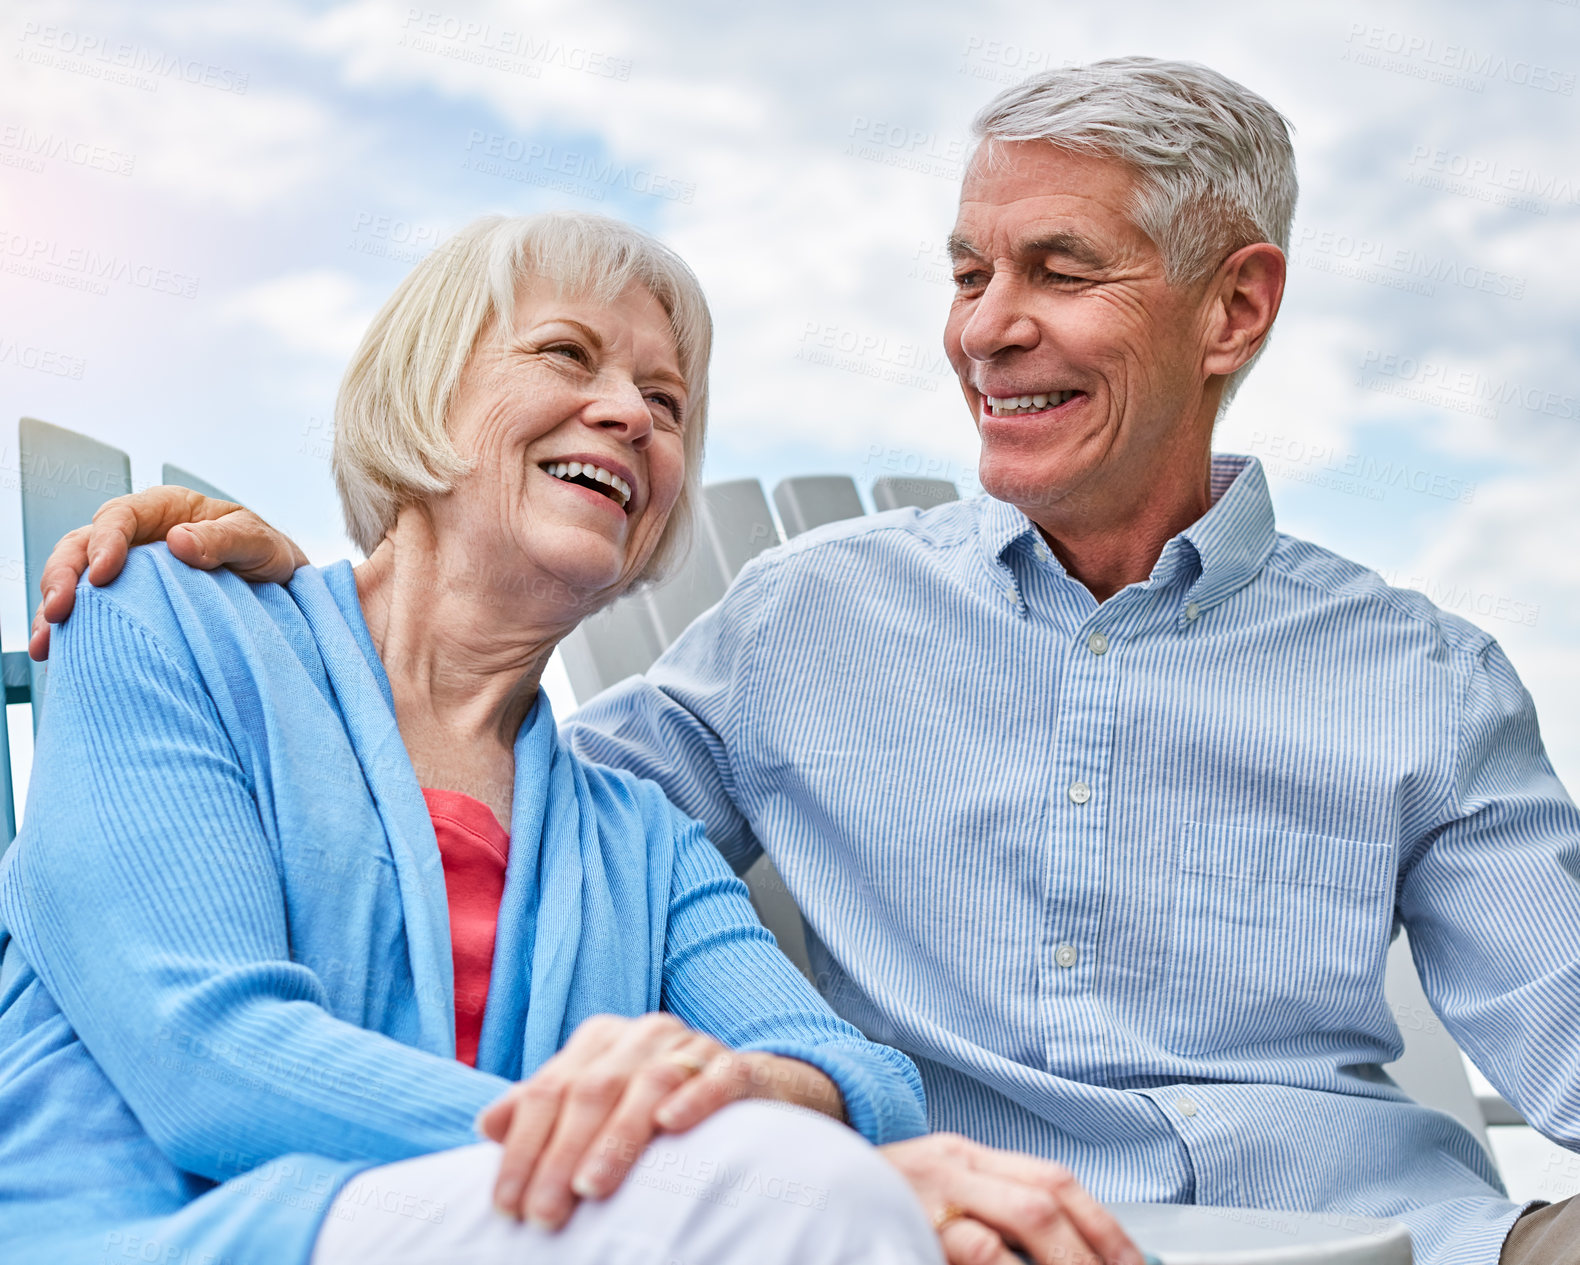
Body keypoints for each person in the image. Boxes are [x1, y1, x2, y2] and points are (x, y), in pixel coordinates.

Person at [31, 57, 1580, 1265]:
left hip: (1379, 1235)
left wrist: (778, 1113)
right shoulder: (793, 633)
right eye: (969, 274)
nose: (989, 328)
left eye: (1057, 270)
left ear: (1233, 307)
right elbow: (381, 785)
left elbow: (758, 1005)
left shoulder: (1419, 677)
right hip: (926, 1228)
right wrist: (302, 582)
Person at [0, 210, 1144, 1265]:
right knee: (820, 1199)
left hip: (540, 1227)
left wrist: (733, 1084)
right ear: (423, 389)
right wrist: (662, 1150)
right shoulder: (163, 617)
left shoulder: (634, 830)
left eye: (668, 402)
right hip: (185, 1231)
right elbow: (204, 1055)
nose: (631, 414)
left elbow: (862, 1082)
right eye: (564, 354)